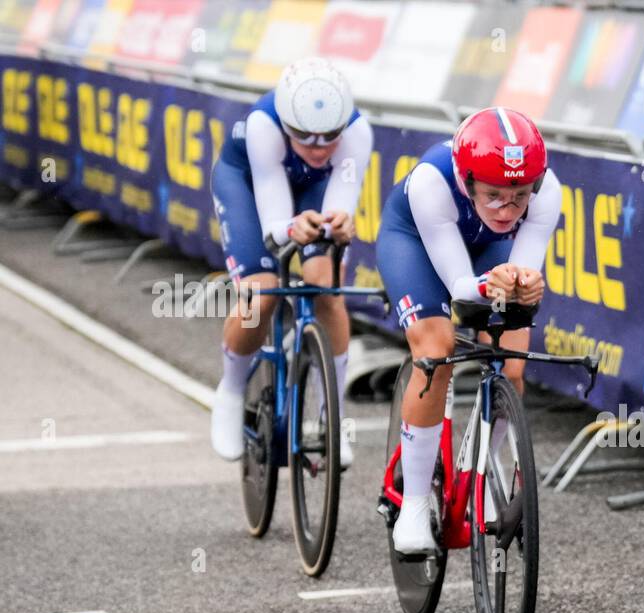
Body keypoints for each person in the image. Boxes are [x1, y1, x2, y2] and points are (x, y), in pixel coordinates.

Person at [376, 107, 560, 555]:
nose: (506, 207)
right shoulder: (431, 183)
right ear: (467, 181)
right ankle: (416, 503)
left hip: (486, 250)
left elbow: (522, 273)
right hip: (417, 244)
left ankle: (490, 466)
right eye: (493, 194)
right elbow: (461, 289)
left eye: (519, 196)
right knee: (435, 351)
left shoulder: (548, 189)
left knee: (512, 364)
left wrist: (524, 283)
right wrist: (487, 284)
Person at [208, 57, 373, 467]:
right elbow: (274, 228)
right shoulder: (264, 126)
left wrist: (339, 226)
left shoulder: (357, 132)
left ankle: (329, 414)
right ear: (286, 124)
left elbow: (340, 205)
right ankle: (230, 391)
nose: (318, 148)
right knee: (261, 294)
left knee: (326, 289)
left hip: (311, 191)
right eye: (304, 136)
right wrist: (291, 229)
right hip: (249, 187)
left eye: (328, 137)